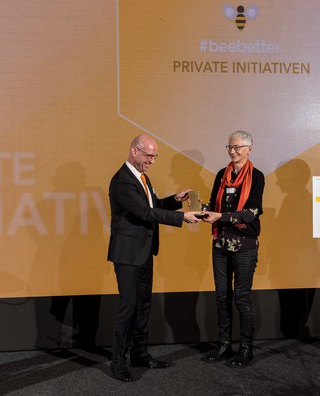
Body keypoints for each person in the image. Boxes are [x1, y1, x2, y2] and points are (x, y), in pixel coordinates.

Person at [108, 134, 201, 382]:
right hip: (127, 254)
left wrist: (175, 200)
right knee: (128, 308)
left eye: (154, 156)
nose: (151, 160)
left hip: (144, 251)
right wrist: (182, 218)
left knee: (143, 306)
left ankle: (139, 355)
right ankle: (118, 362)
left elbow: (155, 205)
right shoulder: (122, 181)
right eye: (148, 155)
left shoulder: (142, 177)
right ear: (134, 151)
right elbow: (145, 213)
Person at [202, 130, 265, 367]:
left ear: (249, 149)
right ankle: (224, 344)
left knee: (242, 297)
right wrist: (202, 209)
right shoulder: (222, 174)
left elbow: (252, 212)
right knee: (221, 296)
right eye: (230, 147)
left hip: (244, 244)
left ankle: (246, 347)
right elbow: (214, 204)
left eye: (237, 147)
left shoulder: (257, 176)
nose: (233, 151)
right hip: (220, 243)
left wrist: (222, 216)